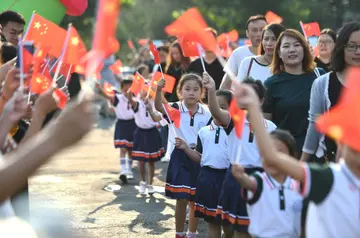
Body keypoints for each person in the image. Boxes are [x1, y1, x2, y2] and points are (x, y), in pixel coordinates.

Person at [232, 80, 360, 238]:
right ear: (341, 144)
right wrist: (253, 107)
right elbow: (271, 156)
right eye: (355, 150)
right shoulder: (328, 178)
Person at [203, 74, 276, 238]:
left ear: (261, 100)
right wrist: (212, 90)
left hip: (259, 179)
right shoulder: (234, 120)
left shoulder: (271, 127)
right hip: (235, 177)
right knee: (230, 228)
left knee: (249, 229)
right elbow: (215, 111)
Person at [155, 74, 211, 238]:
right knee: (181, 199)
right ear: (180, 92)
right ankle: (179, 234)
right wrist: (159, 89)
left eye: (195, 89)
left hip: (198, 157)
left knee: (195, 200)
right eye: (187, 89)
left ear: (202, 93)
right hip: (180, 158)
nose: (191, 93)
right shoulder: (175, 108)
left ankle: (192, 233)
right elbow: (158, 106)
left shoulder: (207, 112)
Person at [174, 88, 232, 238]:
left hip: (228, 179)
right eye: (214, 107)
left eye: (223, 107)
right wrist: (186, 148)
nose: (218, 111)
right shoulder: (204, 132)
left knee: (229, 224)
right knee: (212, 221)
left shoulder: (235, 131)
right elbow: (200, 157)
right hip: (208, 179)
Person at [301, 22, 360, 163]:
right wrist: (303, 162)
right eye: (352, 46)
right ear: (341, 48)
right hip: (331, 163)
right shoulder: (323, 83)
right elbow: (314, 124)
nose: (358, 51)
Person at [263, 29, 326, 156]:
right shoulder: (271, 84)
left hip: (318, 152)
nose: (292, 50)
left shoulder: (320, 76)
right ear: (279, 53)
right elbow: (266, 125)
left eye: (297, 45)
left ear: (304, 49)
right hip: (286, 153)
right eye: (286, 46)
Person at [231, 129, 303, 238]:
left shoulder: (298, 186)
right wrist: (241, 176)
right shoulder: (259, 181)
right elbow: (248, 183)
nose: (271, 158)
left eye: (278, 153)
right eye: (268, 152)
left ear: (291, 157)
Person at [127, 89, 164, 194]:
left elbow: (159, 116)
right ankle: (143, 182)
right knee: (141, 160)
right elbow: (130, 100)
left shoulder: (155, 104)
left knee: (151, 161)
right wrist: (130, 92)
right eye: (143, 90)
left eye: (147, 90)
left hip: (152, 133)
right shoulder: (137, 103)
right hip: (140, 133)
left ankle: (150, 184)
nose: (145, 92)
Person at [220, 15, 267, 89]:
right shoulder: (238, 53)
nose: (259, 34)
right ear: (247, 33)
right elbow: (227, 82)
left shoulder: (275, 55)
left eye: (262, 30)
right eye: (254, 30)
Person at [111, 77, 136, 183]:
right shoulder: (118, 98)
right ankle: (123, 171)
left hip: (133, 124)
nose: (128, 91)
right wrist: (100, 89)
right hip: (121, 124)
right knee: (123, 148)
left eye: (130, 88)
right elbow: (108, 97)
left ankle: (129, 170)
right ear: (121, 89)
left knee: (130, 150)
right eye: (125, 89)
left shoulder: (136, 99)